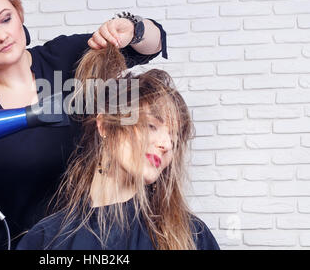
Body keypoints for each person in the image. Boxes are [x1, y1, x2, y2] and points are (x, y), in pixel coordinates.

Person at [0, 0, 167, 250]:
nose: (2, 36)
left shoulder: (69, 57)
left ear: (19, 14)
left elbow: (152, 44)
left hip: (101, 242)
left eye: (6, 19)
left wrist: (133, 29)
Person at [17, 45, 219, 250]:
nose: (166, 145)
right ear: (105, 125)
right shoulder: (45, 239)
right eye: (151, 126)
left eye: (175, 140)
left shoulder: (192, 236)